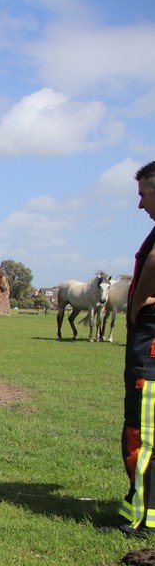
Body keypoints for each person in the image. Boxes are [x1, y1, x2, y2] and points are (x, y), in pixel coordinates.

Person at [116, 160, 155, 538]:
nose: (140, 204)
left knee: (141, 434)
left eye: (143, 194)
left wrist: (137, 304)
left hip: (150, 353)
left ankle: (142, 520)